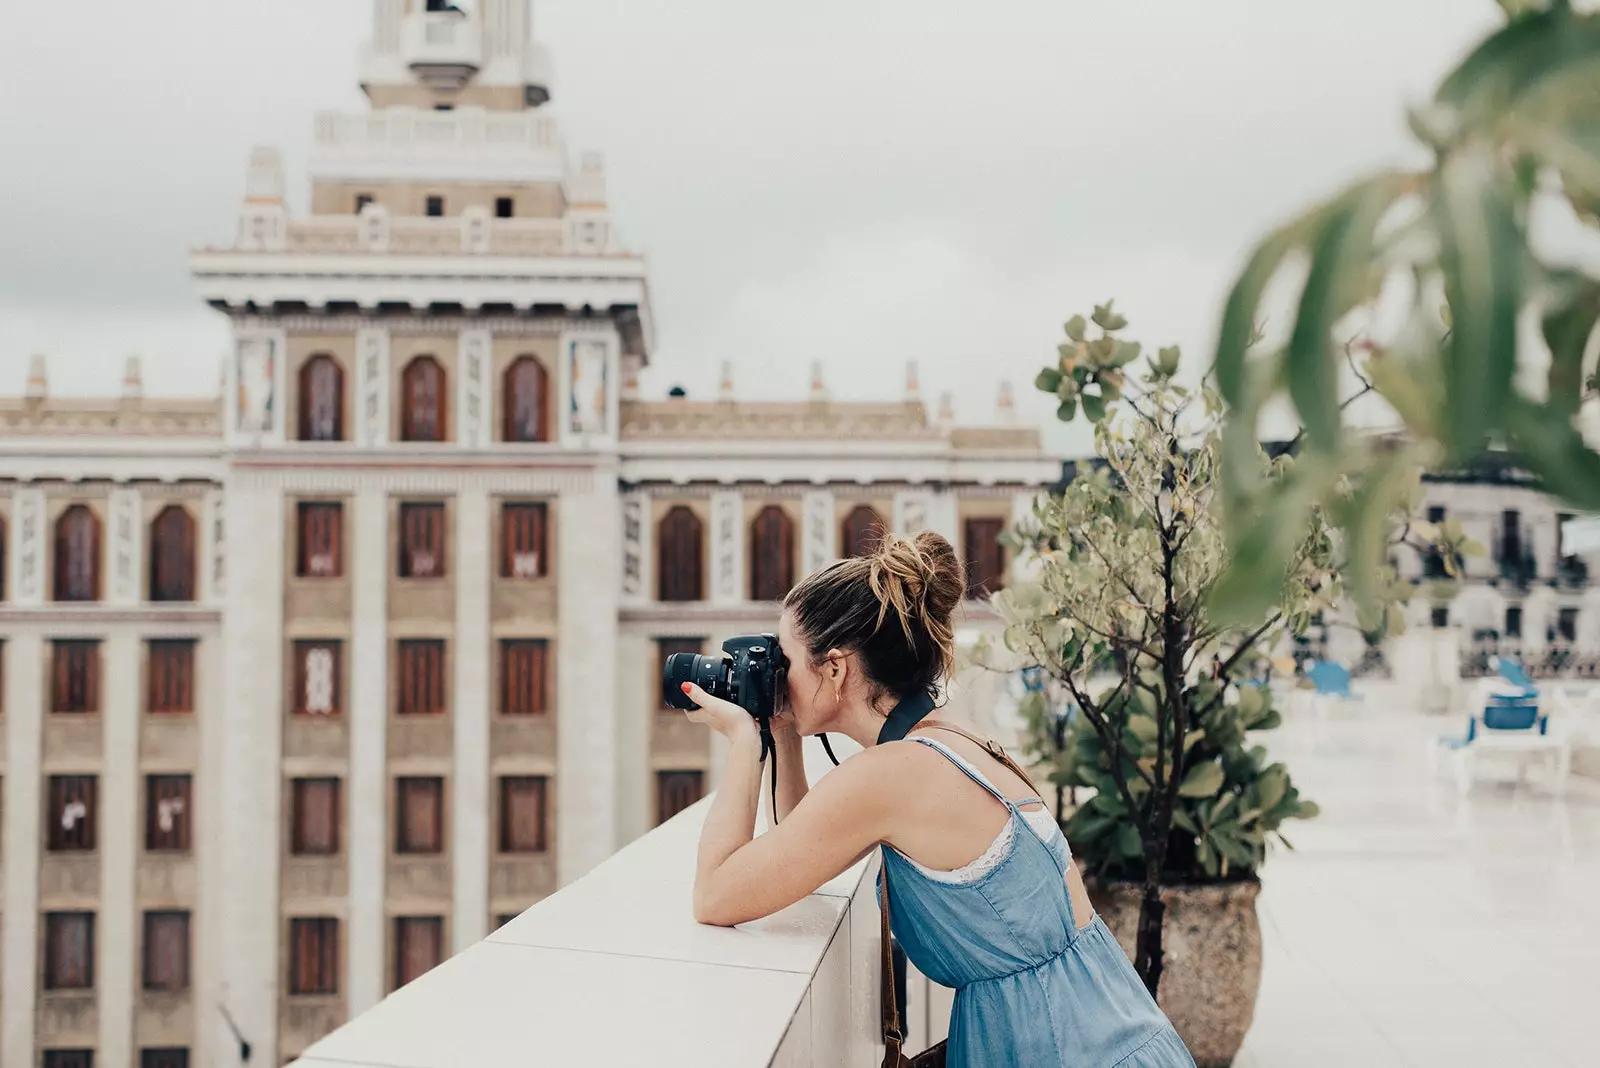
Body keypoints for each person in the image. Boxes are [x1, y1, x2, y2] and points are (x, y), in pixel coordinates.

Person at [680, 531, 1195, 1067]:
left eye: (783, 661)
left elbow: (716, 895)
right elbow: (802, 845)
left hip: (1063, 1049)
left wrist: (744, 741)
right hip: (1109, 1032)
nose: (774, 675)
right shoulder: (946, 736)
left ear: (834, 669)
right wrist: (781, 730)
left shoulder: (892, 774)